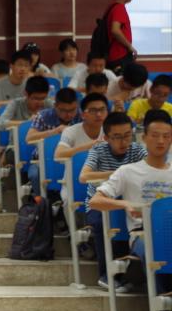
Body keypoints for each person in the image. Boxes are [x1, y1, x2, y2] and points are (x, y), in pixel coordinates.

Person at [89, 111, 172, 294]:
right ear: (144, 138)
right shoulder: (127, 171)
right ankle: (163, 301)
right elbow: (96, 201)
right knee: (155, 247)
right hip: (144, 234)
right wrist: (125, 204)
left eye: (166, 136)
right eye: (155, 135)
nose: (161, 141)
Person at [80, 112, 146, 291]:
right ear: (106, 137)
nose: (123, 142)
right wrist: (120, 173)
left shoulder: (138, 150)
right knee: (104, 222)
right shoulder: (98, 150)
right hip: (100, 204)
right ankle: (106, 274)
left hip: (129, 204)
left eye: (127, 135)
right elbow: (84, 176)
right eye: (117, 137)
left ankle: (134, 275)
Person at [54, 93, 107, 160]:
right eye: (93, 110)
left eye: (102, 110)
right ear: (83, 115)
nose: (99, 114)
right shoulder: (71, 131)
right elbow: (58, 154)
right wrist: (89, 146)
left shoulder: (112, 130)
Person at [107, 0, 136, 73]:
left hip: (115, 55)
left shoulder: (112, 6)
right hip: (120, 55)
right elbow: (115, 30)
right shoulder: (119, 8)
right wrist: (129, 46)